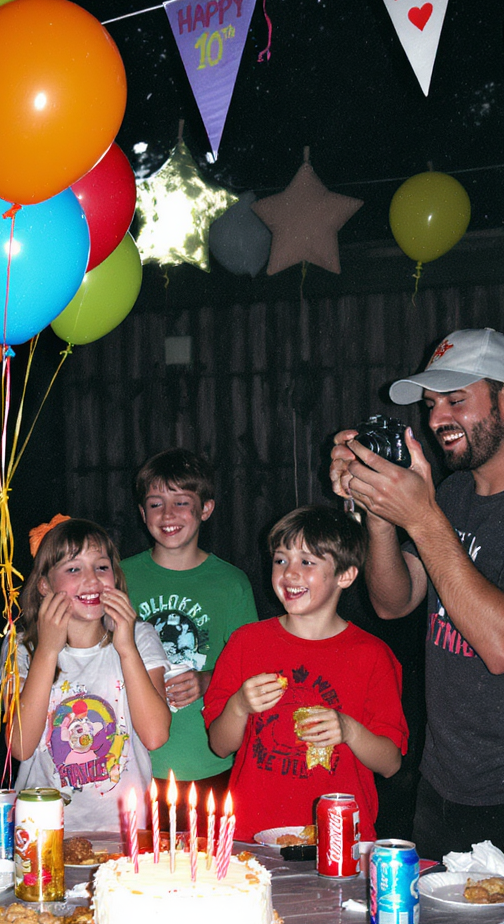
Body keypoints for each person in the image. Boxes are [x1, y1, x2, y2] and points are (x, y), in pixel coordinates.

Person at [330, 327, 504, 859]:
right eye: (430, 405)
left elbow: (498, 646)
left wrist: (422, 518)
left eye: (456, 400)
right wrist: (381, 513)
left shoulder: (438, 508)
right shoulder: (452, 494)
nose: (435, 420)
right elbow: (394, 601)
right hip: (443, 781)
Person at [203, 506, 407, 841]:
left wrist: (350, 730)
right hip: (252, 834)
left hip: (339, 839)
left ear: (346, 575)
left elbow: (390, 763)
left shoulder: (372, 655)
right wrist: (239, 706)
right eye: (281, 560)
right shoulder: (246, 642)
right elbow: (220, 746)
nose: (289, 573)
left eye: (307, 562)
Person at [0, 517, 170, 833]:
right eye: (74, 569)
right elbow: (21, 747)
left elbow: (156, 735)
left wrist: (127, 648)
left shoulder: (140, 637)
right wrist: (48, 651)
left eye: (101, 567)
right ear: (45, 585)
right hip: (41, 830)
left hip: (125, 831)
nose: (92, 579)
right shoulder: (20, 647)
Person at [122, 449, 258, 820]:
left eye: (182, 502)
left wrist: (206, 679)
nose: (168, 515)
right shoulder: (116, 576)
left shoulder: (231, 584)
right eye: (155, 503)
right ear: (142, 513)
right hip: (129, 765)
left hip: (207, 761)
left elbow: (250, 668)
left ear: (206, 509)